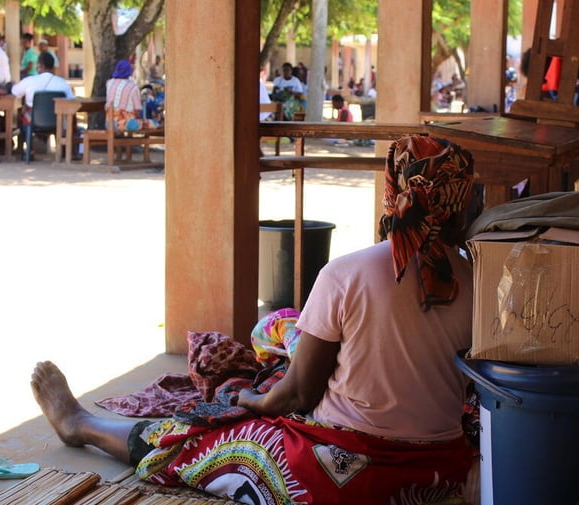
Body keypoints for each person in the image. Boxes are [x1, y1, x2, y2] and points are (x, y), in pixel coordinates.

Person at [32, 134, 477, 504]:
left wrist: (253, 402)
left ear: (392, 191)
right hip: (439, 475)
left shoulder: (347, 273)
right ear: (461, 204)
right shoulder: (479, 283)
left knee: (190, 438)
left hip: (341, 476)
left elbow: (298, 394)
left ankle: (80, 424)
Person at [106, 59, 151, 131]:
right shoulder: (132, 86)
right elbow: (137, 109)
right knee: (152, 124)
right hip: (125, 124)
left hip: (109, 123)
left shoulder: (109, 83)